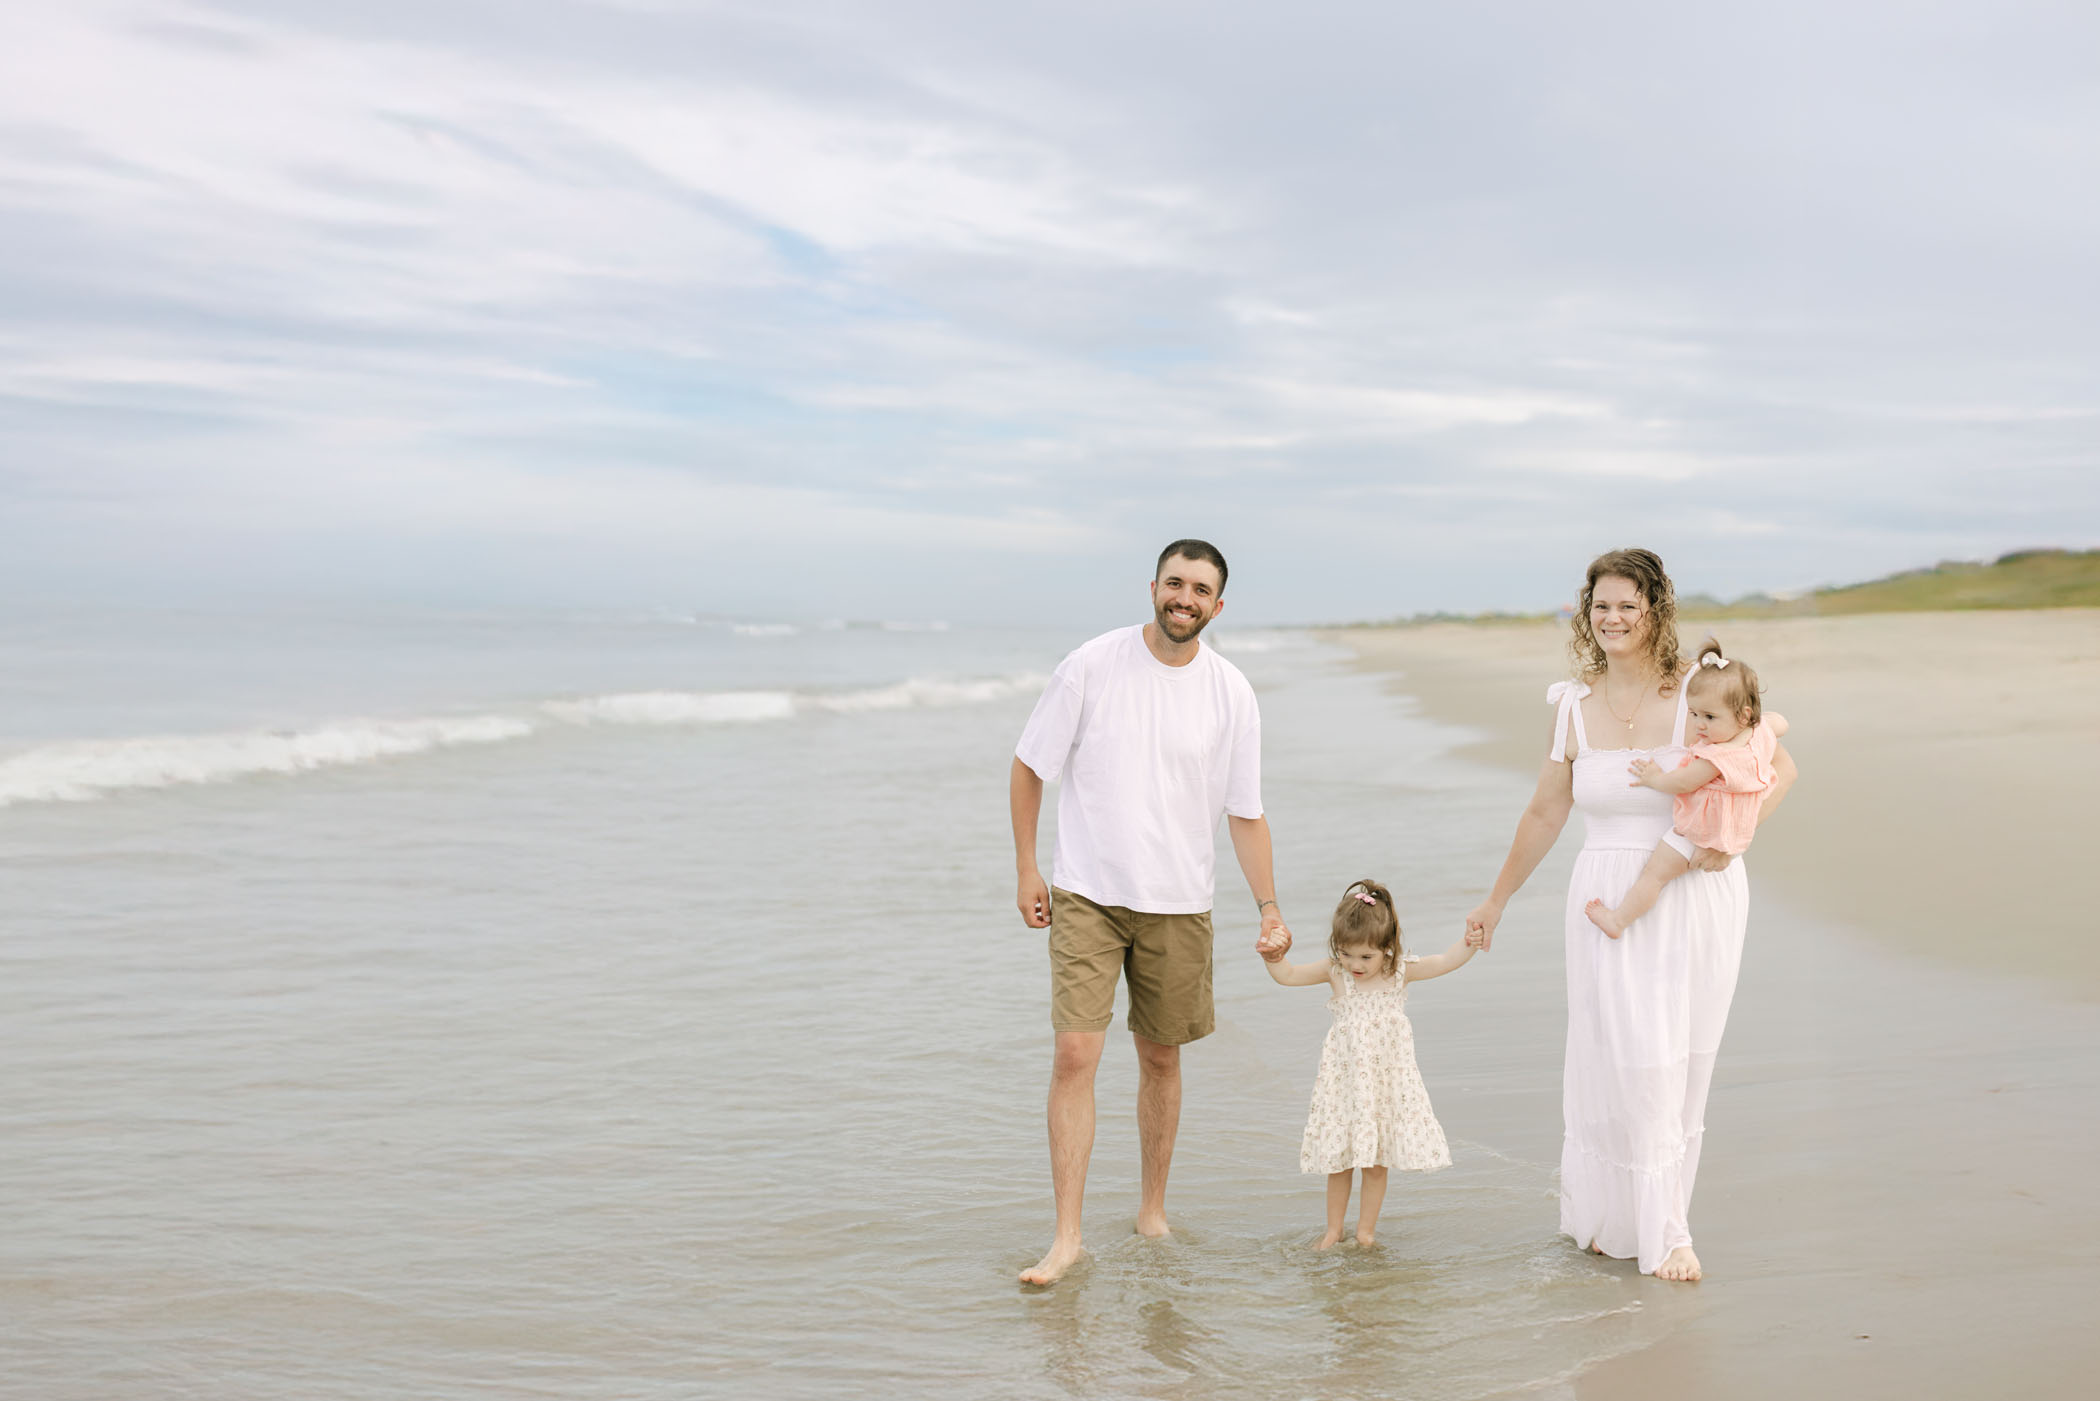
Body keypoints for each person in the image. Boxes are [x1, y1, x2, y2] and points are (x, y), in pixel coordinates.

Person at [1464, 548, 1796, 1282]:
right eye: (1601, 605)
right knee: (1620, 1059)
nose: (1612, 618)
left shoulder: (1692, 696)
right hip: (1603, 897)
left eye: (1628, 606)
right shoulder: (1572, 706)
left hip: (1688, 894)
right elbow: (1547, 810)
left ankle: (1669, 1229)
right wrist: (1497, 898)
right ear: (1588, 613)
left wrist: (1731, 839)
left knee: (1675, 1061)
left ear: (1655, 612)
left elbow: (1777, 767)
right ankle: (1613, 1221)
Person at [1010, 539, 1292, 1286]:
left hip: (1179, 901)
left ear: (1217, 605)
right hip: (1085, 893)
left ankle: (1151, 1210)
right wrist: (1027, 866)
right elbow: (1030, 764)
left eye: (1201, 589)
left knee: (1161, 1057)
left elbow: (1246, 811)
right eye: (1175, 582)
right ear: (1153, 586)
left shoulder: (1231, 692)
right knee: (1076, 1053)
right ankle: (1066, 1236)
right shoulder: (1092, 664)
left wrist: (1269, 906)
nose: (1185, 597)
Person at [1259, 879, 1473, 1248]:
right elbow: (1289, 976)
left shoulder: (1400, 971)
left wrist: (1471, 940)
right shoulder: (1334, 972)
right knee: (1339, 1160)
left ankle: (1366, 1232)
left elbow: (1447, 960)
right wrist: (1273, 959)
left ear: (1387, 949)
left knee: (1376, 1162)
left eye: (1365, 957)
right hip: (1344, 1086)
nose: (1354, 965)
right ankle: (1333, 1230)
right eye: (1346, 953)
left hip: (1385, 1087)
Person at [1585, 640, 1789, 938]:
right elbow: (1780, 722)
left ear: (1743, 714)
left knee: (1654, 876)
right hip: (1732, 831)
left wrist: (1653, 778)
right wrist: (1752, 729)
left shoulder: (1716, 758)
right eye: (1694, 714)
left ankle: (1619, 920)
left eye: (1709, 717)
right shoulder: (1756, 735)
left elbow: (1681, 782)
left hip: (1698, 834)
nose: (1699, 725)